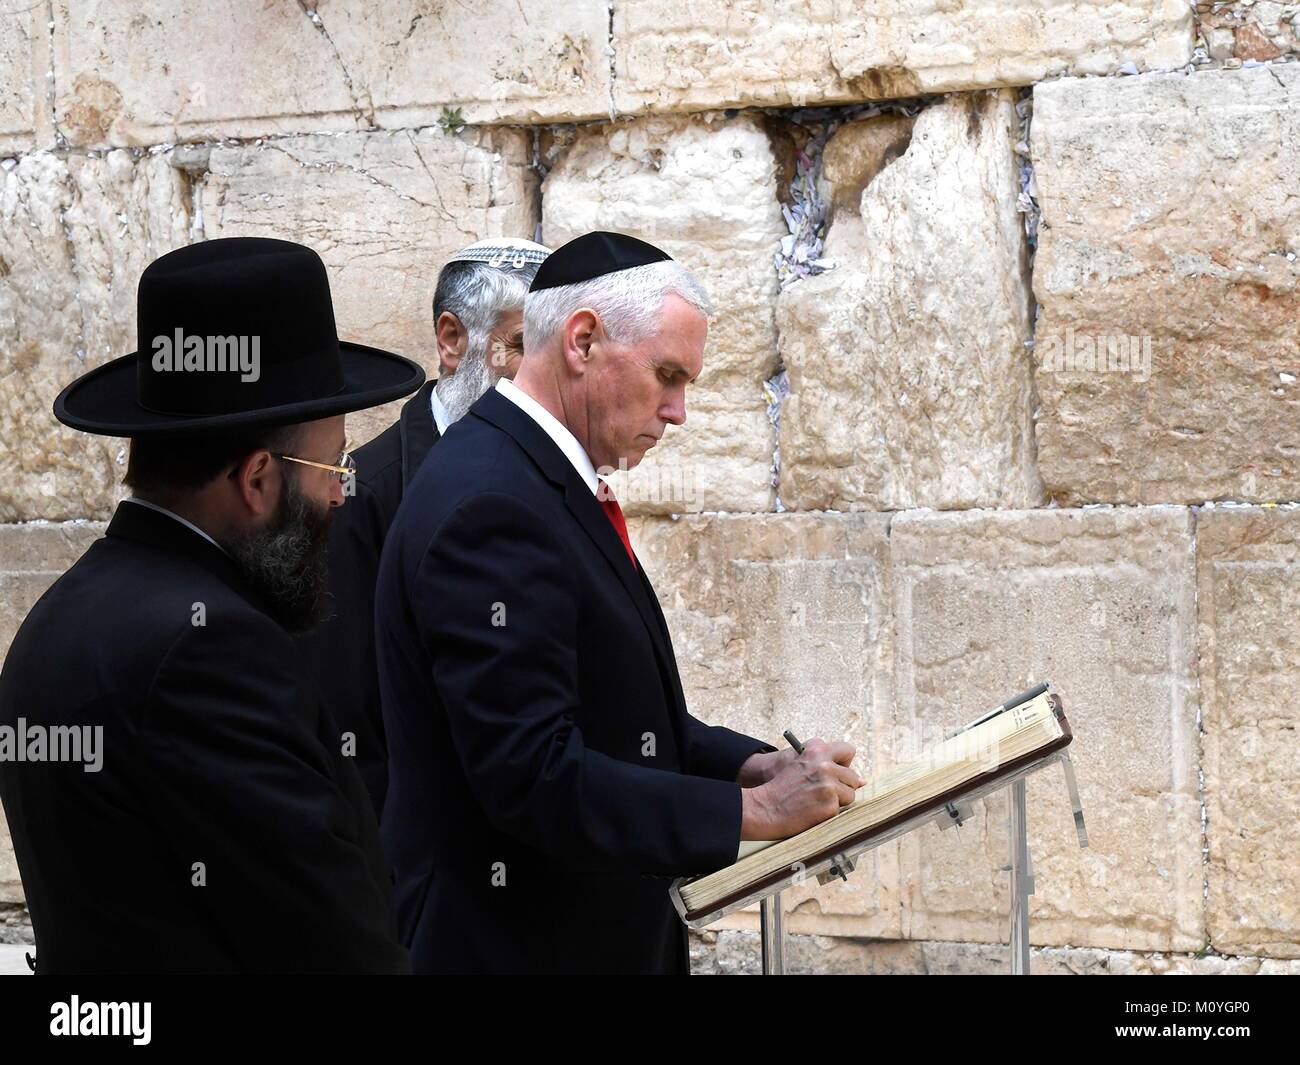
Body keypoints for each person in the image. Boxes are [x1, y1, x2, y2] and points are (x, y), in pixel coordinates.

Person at [375, 231, 862, 974]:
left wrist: (750, 765)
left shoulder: (531, 476)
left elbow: (612, 715)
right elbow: (531, 773)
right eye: (668, 375)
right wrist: (753, 813)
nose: (678, 412)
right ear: (583, 341)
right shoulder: (491, 500)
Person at [0, 237, 423, 973]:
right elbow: (331, 949)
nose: (338, 493)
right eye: (334, 464)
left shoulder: (61, 616)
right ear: (257, 479)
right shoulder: (210, 650)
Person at [296, 238, 549, 817]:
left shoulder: (554, 476)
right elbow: (350, 723)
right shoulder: (364, 494)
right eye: (519, 346)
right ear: (452, 340)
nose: (541, 377)